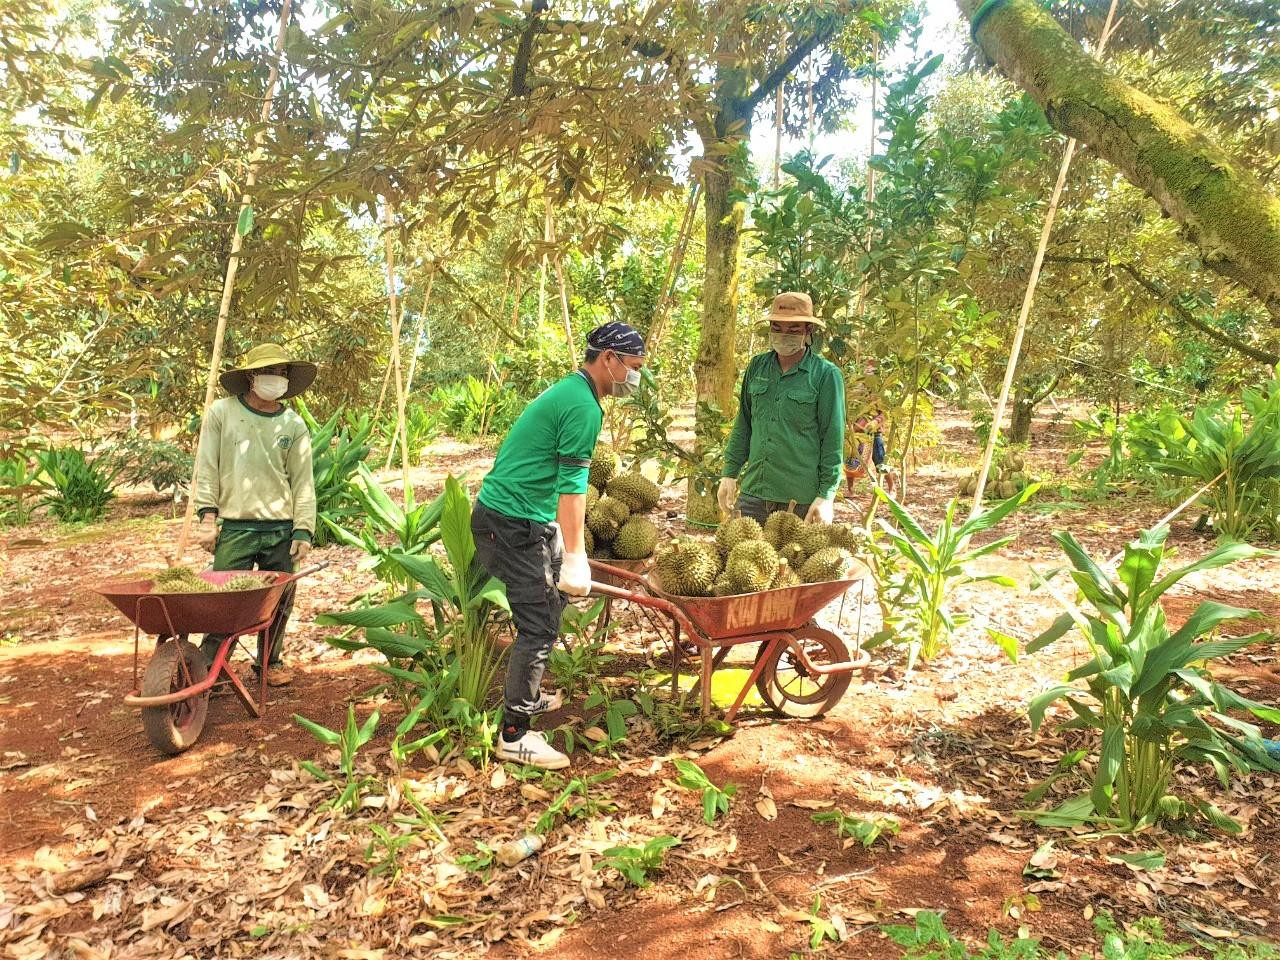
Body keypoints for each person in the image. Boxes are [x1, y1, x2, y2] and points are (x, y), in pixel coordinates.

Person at [472, 322, 646, 770]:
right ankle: (514, 734)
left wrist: (560, 543)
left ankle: (527, 692)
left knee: (549, 609)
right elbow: (573, 488)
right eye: (633, 367)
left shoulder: (573, 392)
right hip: (511, 524)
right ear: (609, 358)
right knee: (538, 624)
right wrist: (575, 554)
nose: (634, 377)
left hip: (529, 517)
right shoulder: (583, 406)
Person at [193, 343, 317, 687]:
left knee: (279, 602)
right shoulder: (222, 413)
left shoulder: (293, 425)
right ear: (251, 376)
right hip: (235, 526)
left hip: (281, 527)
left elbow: (303, 482)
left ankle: (269, 663)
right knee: (224, 603)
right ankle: (211, 671)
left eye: (281, 373)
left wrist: (303, 530)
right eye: (269, 372)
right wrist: (207, 517)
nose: (275, 379)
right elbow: (207, 467)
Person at [718, 292, 844, 525]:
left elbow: (832, 439)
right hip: (754, 494)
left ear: (808, 331)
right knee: (741, 558)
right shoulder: (758, 367)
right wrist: (729, 473)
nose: (784, 334)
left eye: (793, 329)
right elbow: (744, 424)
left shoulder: (825, 375)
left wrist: (826, 496)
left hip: (800, 500)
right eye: (777, 327)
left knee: (794, 561)